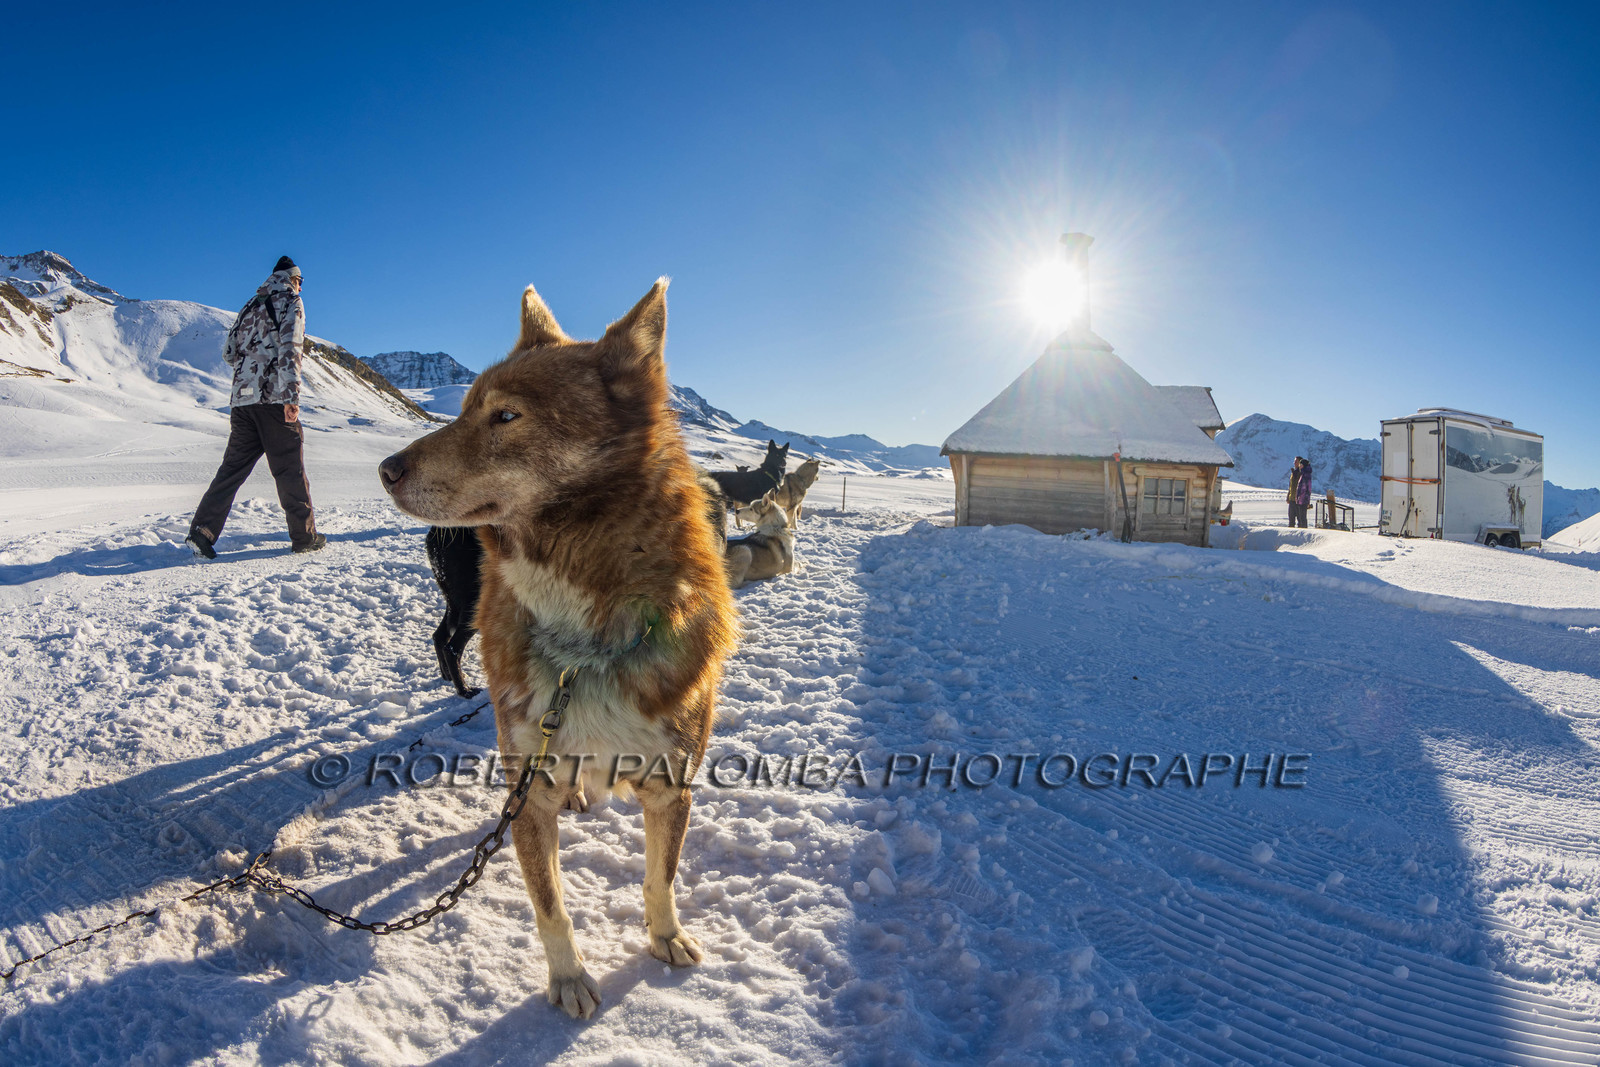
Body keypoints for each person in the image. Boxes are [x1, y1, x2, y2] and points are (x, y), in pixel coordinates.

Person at [186, 256, 326, 558]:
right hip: (274, 399)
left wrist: (253, 359)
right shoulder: (291, 302)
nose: (301, 287)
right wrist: (291, 397)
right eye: (301, 281)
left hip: (242, 402)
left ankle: (202, 532)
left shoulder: (250, 304)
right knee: (289, 468)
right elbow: (291, 348)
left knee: (231, 470)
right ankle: (304, 537)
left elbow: (228, 353)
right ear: (292, 279)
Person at [1287, 456, 1312, 528]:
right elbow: (1291, 486)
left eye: (1296, 461)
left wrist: (1303, 499)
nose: (1294, 463)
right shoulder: (1294, 472)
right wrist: (1288, 496)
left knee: (1301, 519)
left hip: (1299, 500)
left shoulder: (1303, 473)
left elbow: (1305, 488)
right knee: (1291, 519)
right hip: (1292, 498)